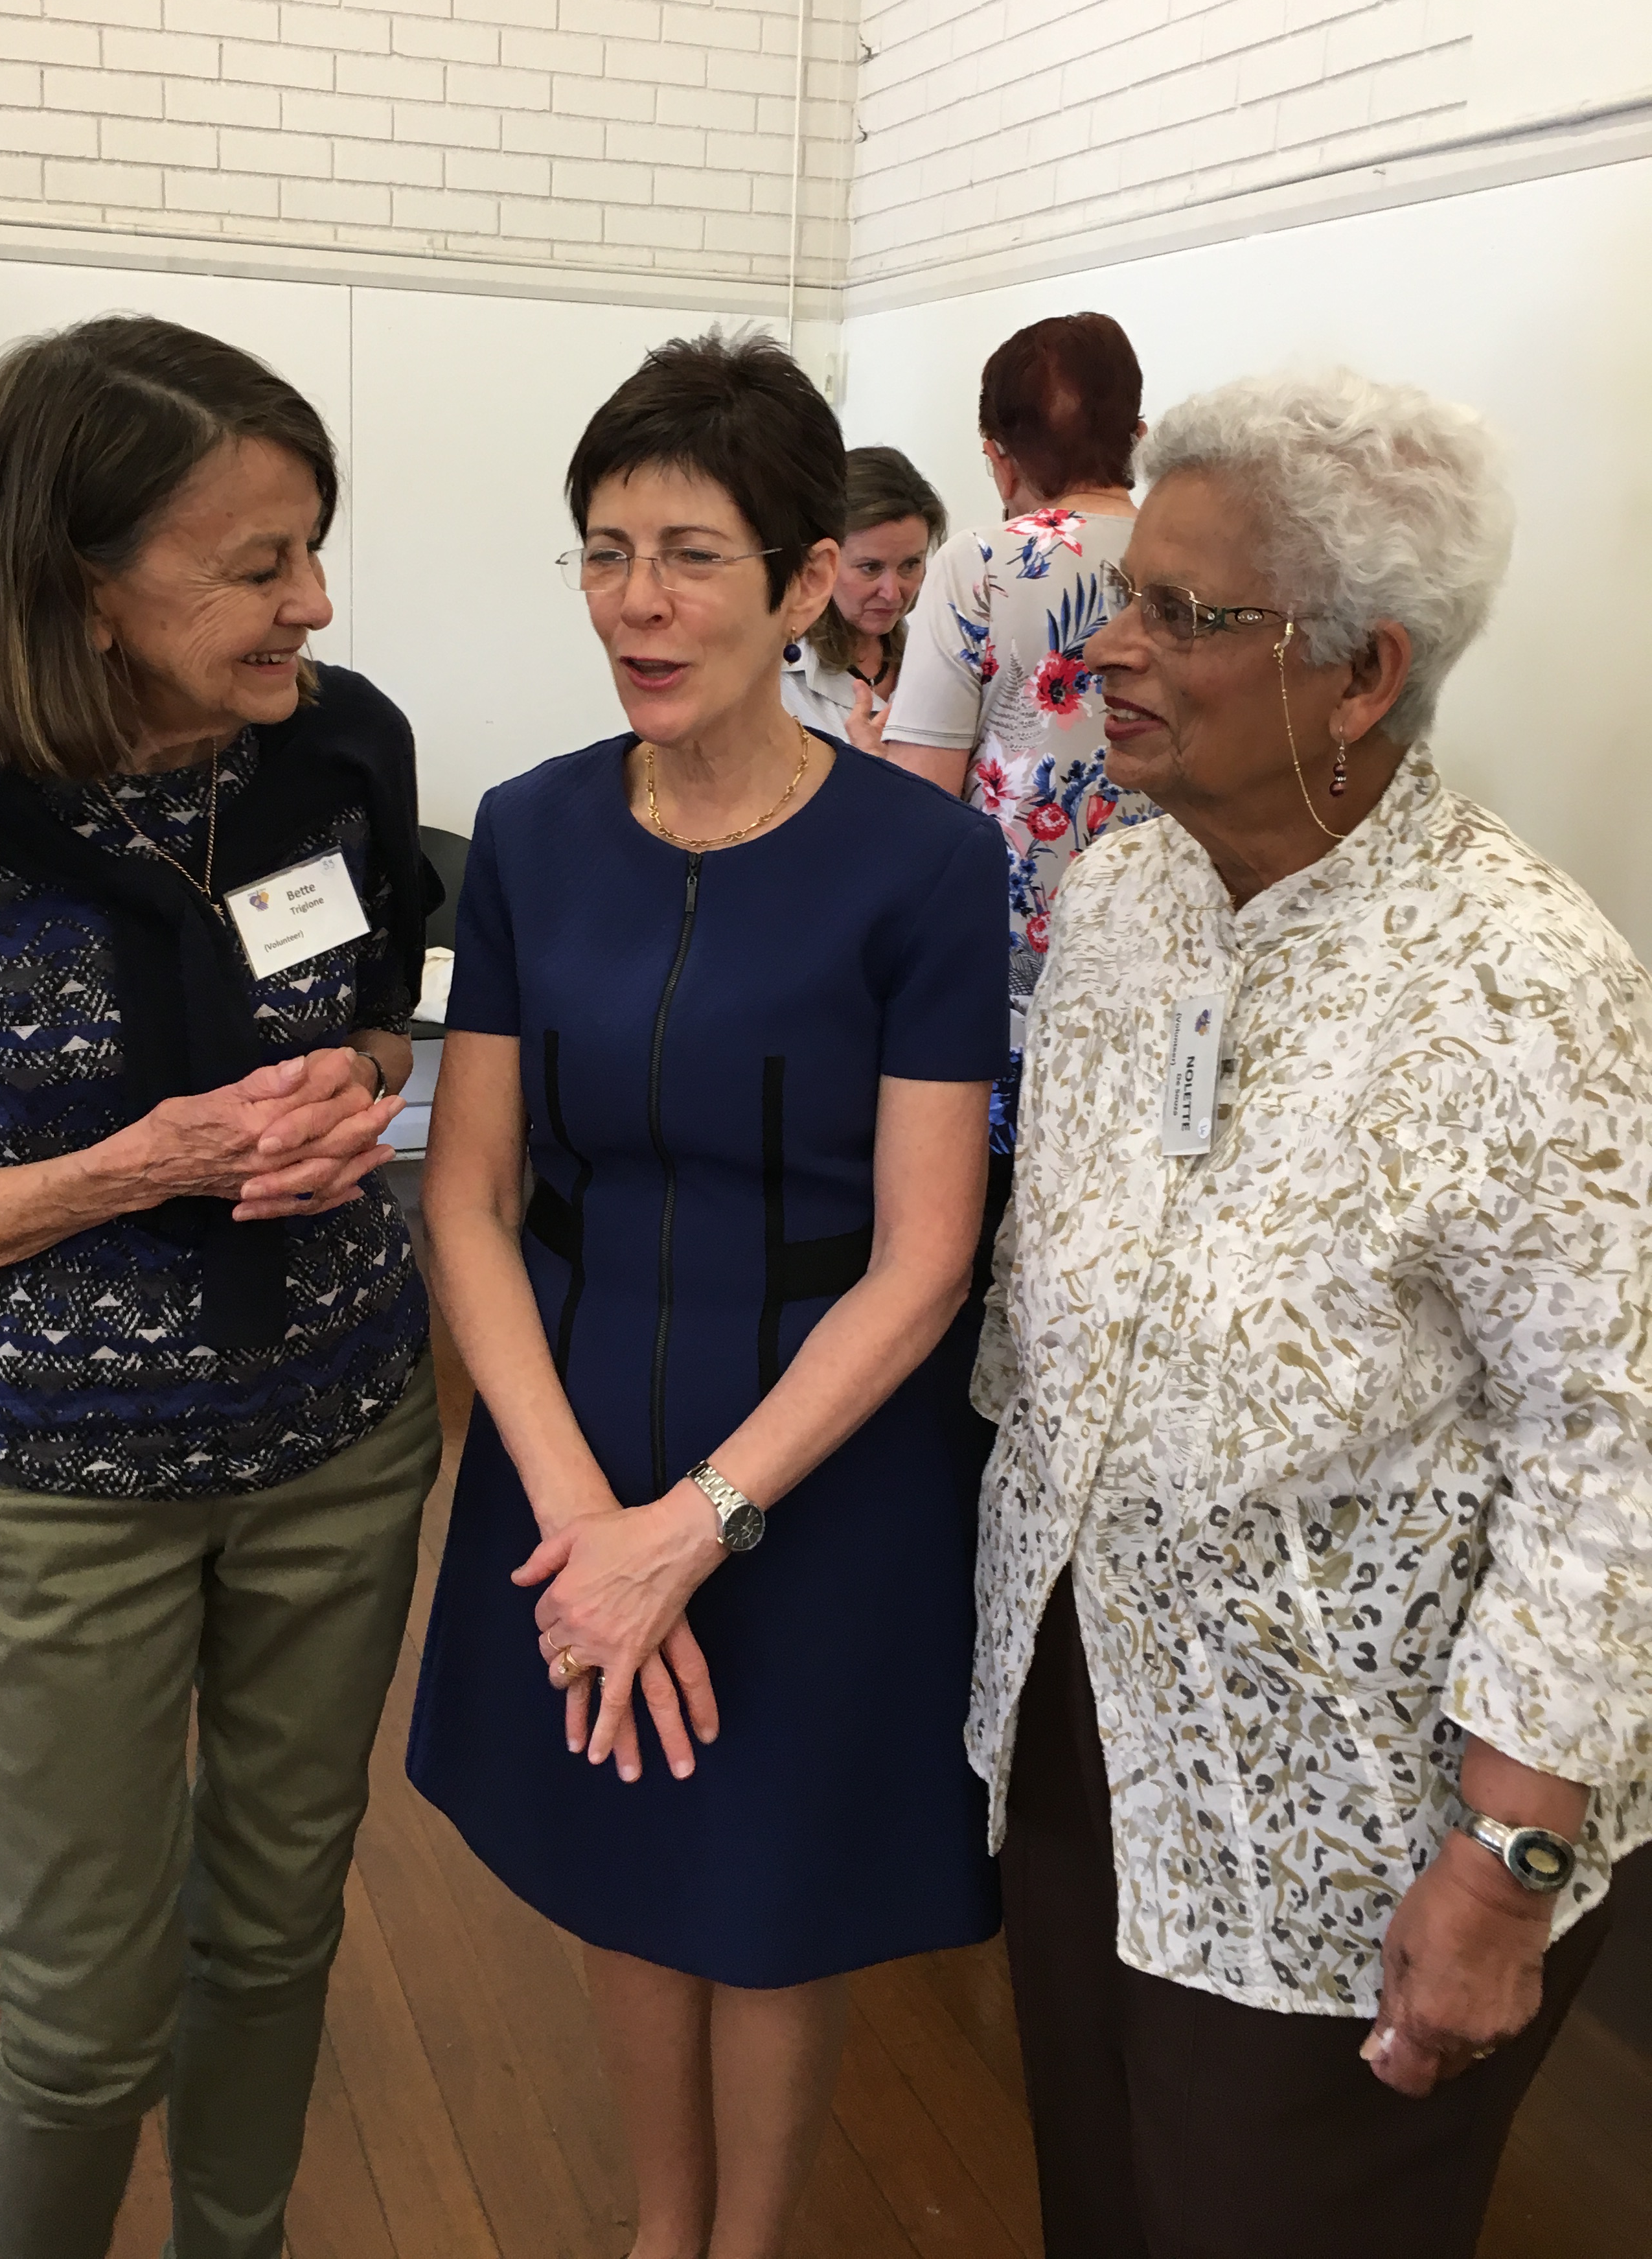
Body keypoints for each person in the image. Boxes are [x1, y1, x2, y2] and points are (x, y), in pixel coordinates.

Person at [0, 316, 442, 2259]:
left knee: (279, 1936)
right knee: (81, 2016)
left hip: (343, 1438)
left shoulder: (338, 754)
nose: (314, 603)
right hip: (64, 1492)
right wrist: (138, 1166)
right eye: (258, 565)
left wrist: (357, 1084)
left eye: (314, 549)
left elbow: (383, 1014)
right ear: (82, 581)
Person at [970, 367, 1652, 2259]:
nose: (1111, 648)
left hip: (1355, 1812)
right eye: (1127, 593)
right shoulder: (1122, 895)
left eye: (1185, 614)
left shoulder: (1524, 981)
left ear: (1365, 676)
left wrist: (1503, 1866)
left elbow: (1613, 1456)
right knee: (1103, 2196)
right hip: (1087, 1717)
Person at [408, 332, 1010, 2259]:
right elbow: (470, 1193)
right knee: (621, 1836)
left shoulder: (926, 863)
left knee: (770, 1889)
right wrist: (584, 1517)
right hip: (572, 1432)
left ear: (807, 579)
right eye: (603, 552)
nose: (636, 603)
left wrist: (700, 1523)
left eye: (686, 555)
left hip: (820, 1462)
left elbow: (927, 1251)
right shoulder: (532, 829)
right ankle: (663, 2231)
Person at [878, 311, 1153, 1163]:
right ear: (1138, 436)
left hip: (1009, 992)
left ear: (998, 456)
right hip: (1166, 979)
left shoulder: (980, 565)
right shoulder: (1193, 562)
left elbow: (916, 810)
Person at [778, 444, 946, 743]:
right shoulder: (772, 677)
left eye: (910, 565)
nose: (892, 593)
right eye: (870, 568)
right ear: (819, 565)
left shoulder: (937, 659)